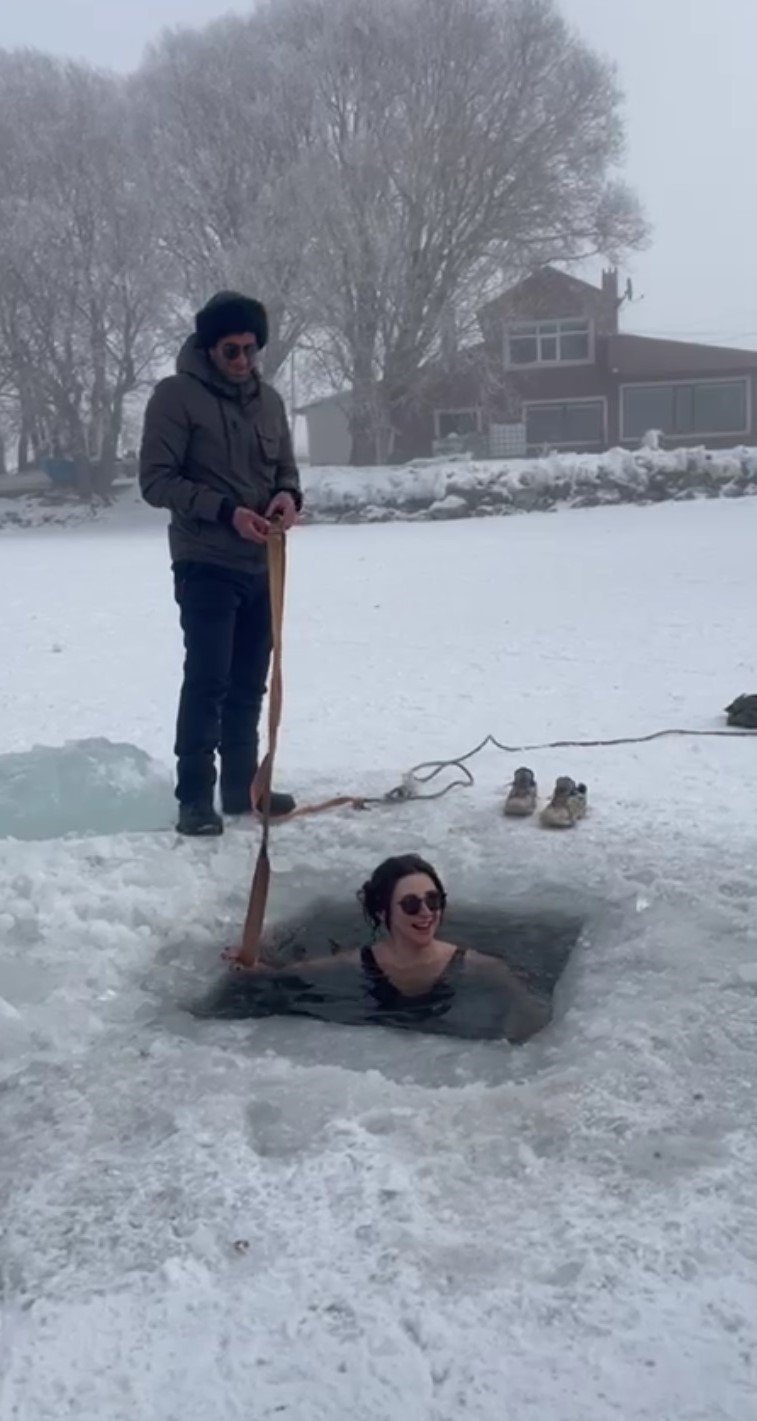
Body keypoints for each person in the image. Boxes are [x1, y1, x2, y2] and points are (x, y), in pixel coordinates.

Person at [139, 290, 302, 837]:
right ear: (208, 348)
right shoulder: (175, 398)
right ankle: (194, 798)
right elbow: (156, 481)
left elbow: (285, 471)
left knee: (249, 682)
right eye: (230, 350)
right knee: (207, 678)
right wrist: (225, 512)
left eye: (251, 350)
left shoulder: (270, 402)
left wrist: (287, 500)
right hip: (205, 560)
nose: (241, 361)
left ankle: (241, 788)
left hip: (262, 563)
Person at [206, 855, 553, 1043]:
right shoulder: (359, 962)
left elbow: (524, 1005)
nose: (427, 913)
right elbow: (286, 977)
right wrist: (251, 963)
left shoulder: (475, 965)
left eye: (434, 901)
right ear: (385, 912)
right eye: (412, 905)